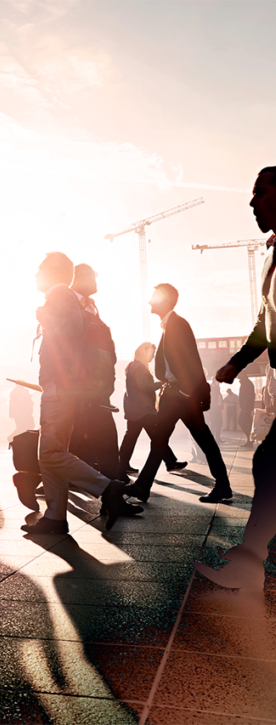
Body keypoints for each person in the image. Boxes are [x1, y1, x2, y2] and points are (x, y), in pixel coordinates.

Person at [20, 252, 142, 535]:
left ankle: (107, 488)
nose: (35, 275)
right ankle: (54, 517)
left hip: (59, 387)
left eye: (39, 269)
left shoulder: (60, 295)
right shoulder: (65, 296)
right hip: (63, 387)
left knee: (50, 453)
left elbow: (71, 329)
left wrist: (45, 316)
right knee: (51, 452)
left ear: (52, 272)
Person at [196, 169, 276, 590]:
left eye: (260, 193)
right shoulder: (270, 256)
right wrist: (236, 363)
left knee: (269, 462)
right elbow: (265, 323)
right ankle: (250, 561)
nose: (252, 203)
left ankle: (250, 561)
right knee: (268, 462)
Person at [125, 283, 232, 504]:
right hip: (173, 395)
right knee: (161, 440)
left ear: (165, 301)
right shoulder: (168, 326)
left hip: (181, 396)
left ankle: (222, 485)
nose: (149, 302)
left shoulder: (178, 324)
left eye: (154, 297)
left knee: (201, 439)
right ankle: (143, 487)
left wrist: (186, 392)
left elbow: (192, 359)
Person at [67, 263, 121, 480]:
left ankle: (109, 479)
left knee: (92, 431)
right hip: (80, 384)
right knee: (86, 432)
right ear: (80, 277)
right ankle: (109, 480)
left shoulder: (91, 306)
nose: (96, 281)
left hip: (96, 383)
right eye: (92, 276)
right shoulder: (70, 303)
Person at [118, 342, 186, 479]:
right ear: (144, 352)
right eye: (151, 353)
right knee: (157, 436)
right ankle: (170, 462)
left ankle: (122, 464)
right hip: (143, 409)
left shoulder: (133, 366)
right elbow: (145, 387)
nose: (153, 356)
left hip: (135, 408)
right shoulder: (139, 367)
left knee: (131, 437)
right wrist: (162, 382)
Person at [238, 372, 255, 449]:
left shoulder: (247, 383)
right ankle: (249, 440)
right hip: (245, 408)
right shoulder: (245, 382)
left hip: (246, 408)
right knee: (246, 423)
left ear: (243, 374)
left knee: (242, 422)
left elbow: (248, 397)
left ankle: (250, 439)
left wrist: (246, 408)